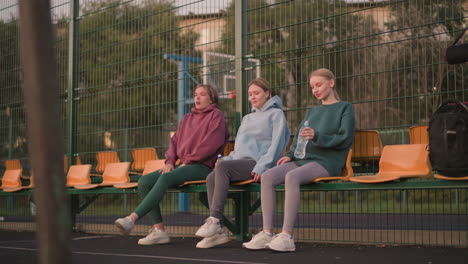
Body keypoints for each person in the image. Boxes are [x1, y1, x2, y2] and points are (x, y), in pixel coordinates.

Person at [242, 68, 355, 252]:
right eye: (312, 87)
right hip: (304, 160)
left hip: (327, 162)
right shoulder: (313, 111)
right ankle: (267, 233)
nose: (315, 90)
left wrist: (318, 136)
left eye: (318, 85)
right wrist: (290, 154)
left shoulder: (345, 107)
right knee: (268, 176)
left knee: (292, 176)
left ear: (331, 82)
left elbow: (345, 138)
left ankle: (287, 236)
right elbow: (301, 137)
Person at [114, 84, 229, 245]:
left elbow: (211, 144)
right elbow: (174, 142)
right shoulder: (187, 119)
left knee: (166, 179)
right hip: (184, 165)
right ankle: (159, 230)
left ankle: (131, 219)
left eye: (202, 94)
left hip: (203, 167)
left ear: (211, 99)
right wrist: (169, 161)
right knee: (144, 182)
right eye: (195, 94)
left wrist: (187, 161)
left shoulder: (216, 116)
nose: (197, 97)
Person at [194, 78, 290, 249]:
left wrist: (262, 166)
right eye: (250, 94)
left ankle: (215, 220)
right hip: (240, 164)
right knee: (211, 177)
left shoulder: (276, 114)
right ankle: (218, 232)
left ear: (267, 93)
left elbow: (277, 145)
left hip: (258, 164)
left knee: (222, 168)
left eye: (257, 93)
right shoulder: (247, 118)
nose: (253, 97)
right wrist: (226, 159)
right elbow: (239, 149)